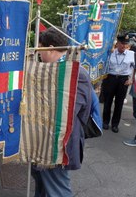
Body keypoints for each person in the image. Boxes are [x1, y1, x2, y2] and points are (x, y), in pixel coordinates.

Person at [31, 27, 92, 197]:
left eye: (40, 48)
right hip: (43, 140)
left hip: (57, 144)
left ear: (49, 48)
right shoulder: (49, 69)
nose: (38, 52)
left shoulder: (75, 73)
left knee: (57, 189)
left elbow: (71, 112)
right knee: (42, 182)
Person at [102, 33, 135, 133]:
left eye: (126, 44)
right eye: (122, 43)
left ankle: (115, 124)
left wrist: (131, 79)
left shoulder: (131, 54)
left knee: (119, 103)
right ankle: (105, 121)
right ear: (117, 43)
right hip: (110, 78)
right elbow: (103, 65)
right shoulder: (110, 53)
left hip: (123, 80)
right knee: (108, 101)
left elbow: (135, 67)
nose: (124, 46)